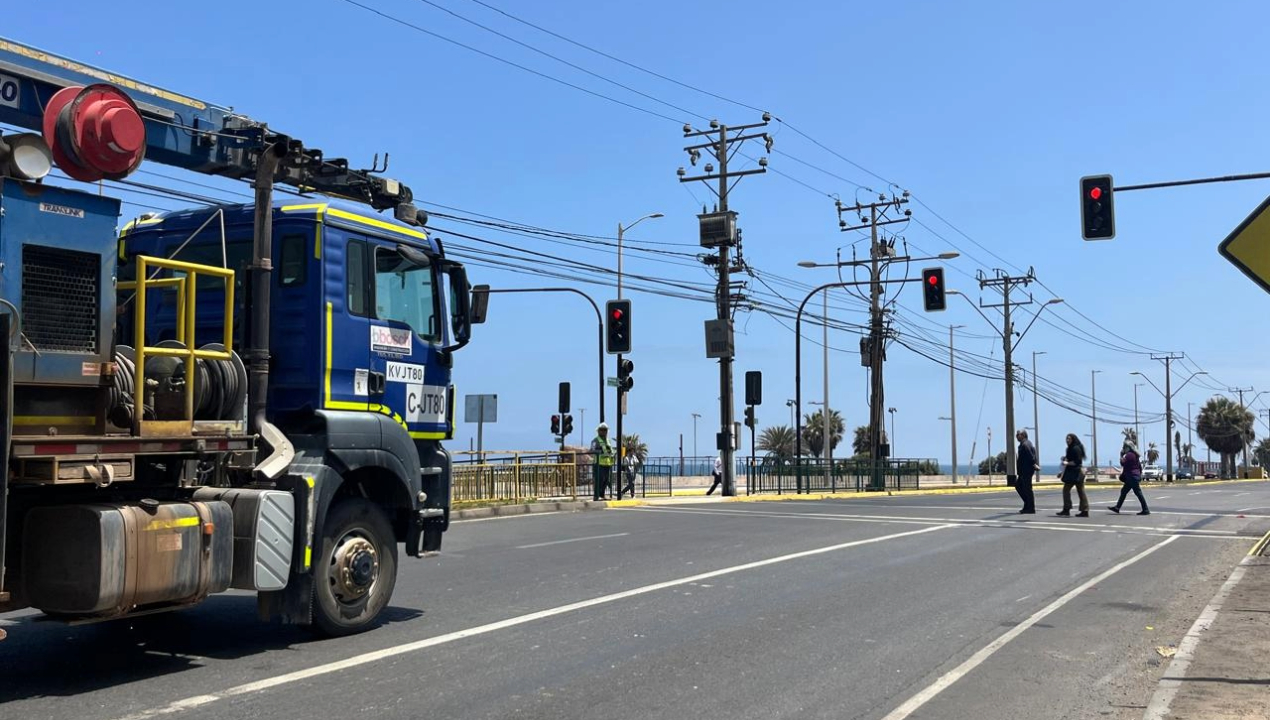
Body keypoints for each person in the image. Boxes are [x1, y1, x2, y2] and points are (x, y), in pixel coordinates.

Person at [1109, 442, 1150, 515]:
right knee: (1124, 491)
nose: (1123, 449)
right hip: (1133, 477)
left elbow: (1122, 463)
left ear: (1128, 447)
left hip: (1132, 477)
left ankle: (1146, 509)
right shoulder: (1135, 455)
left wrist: (1121, 455)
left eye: (1124, 447)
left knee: (1138, 493)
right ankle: (1117, 507)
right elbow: (1139, 467)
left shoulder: (1129, 455)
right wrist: (1139, 475)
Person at [1055, 433, 1089, 517]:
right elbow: (1068, 460)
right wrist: (1062, 472)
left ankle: (1068, 509)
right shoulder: (1069, 449)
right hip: (1072, 472)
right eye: (1066, 439)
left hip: (1076, 472)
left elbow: (1077, 462)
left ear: (1073, 439)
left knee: (1070, 490)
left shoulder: (1075, 449)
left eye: (1069, 439)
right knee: (1079, 491)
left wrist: (1067, 463)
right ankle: (1083, 510)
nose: (1067, 440)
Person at [1015, 429, 1038, 514]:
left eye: (1018, 435)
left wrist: (1034, 464)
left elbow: (1030, 455)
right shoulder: (1025, 444)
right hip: (1023, 470)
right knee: (1019, 486)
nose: (1017, 436)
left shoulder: (1025, 444)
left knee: (1027, 489)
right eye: (1017, 435)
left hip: (1026, 470)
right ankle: (1027, 504)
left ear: (1023, 435)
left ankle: (1030, 507)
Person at [590, 423, 614, 501]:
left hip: (607, 463)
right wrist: (599, 451)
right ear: (598, 431)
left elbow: (611, 451)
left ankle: (602, 495)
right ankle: (596, 496)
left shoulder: (608, 441)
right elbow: (592, 450)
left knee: (606, 481)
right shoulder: (595, 440)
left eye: (605, 430)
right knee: (598, 480)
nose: (603, 431)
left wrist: (612, 454)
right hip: (598, 464)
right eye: (602, 430)